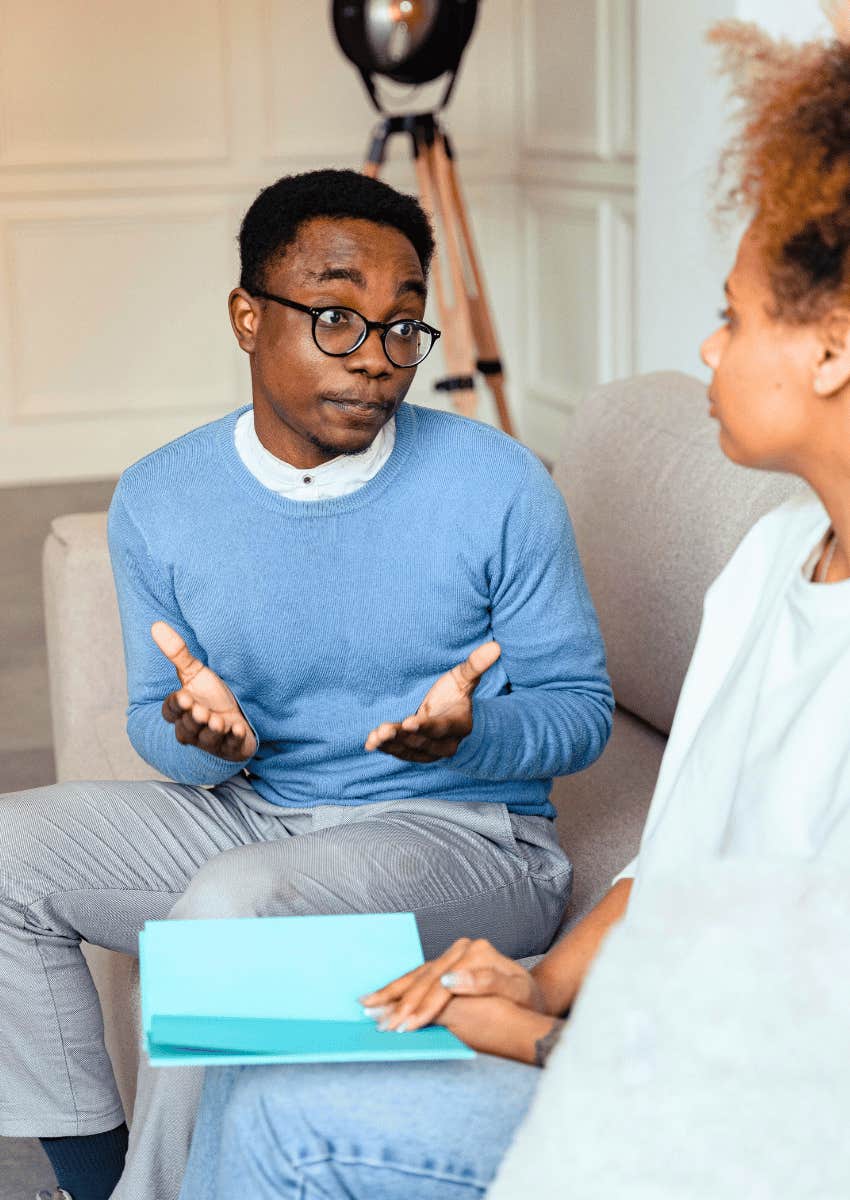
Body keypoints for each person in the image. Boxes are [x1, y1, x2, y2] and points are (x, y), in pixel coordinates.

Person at [178, 15, 850, 1199]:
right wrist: (537, 984)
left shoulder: (491, 486)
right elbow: (673, 862)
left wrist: (548, 1045)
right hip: (648, 1034)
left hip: (746, 1127)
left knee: (289, 1110)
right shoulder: (774, 560)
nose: (703, 345)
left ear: (833, 349)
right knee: (261, 1042)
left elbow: (809, 1082)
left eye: (736, 317)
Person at [0, 168, 614, 1200]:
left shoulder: (499, 483)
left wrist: (468, 738)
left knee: (228, 910)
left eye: (401, 327)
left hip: (462, 843)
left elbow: (580, 713)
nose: (375, 361)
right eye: (335, 318)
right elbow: (154, 722)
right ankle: (94, 1181)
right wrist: (201, 738)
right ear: (248, 316)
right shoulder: (160, 495)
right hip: (255, 816)